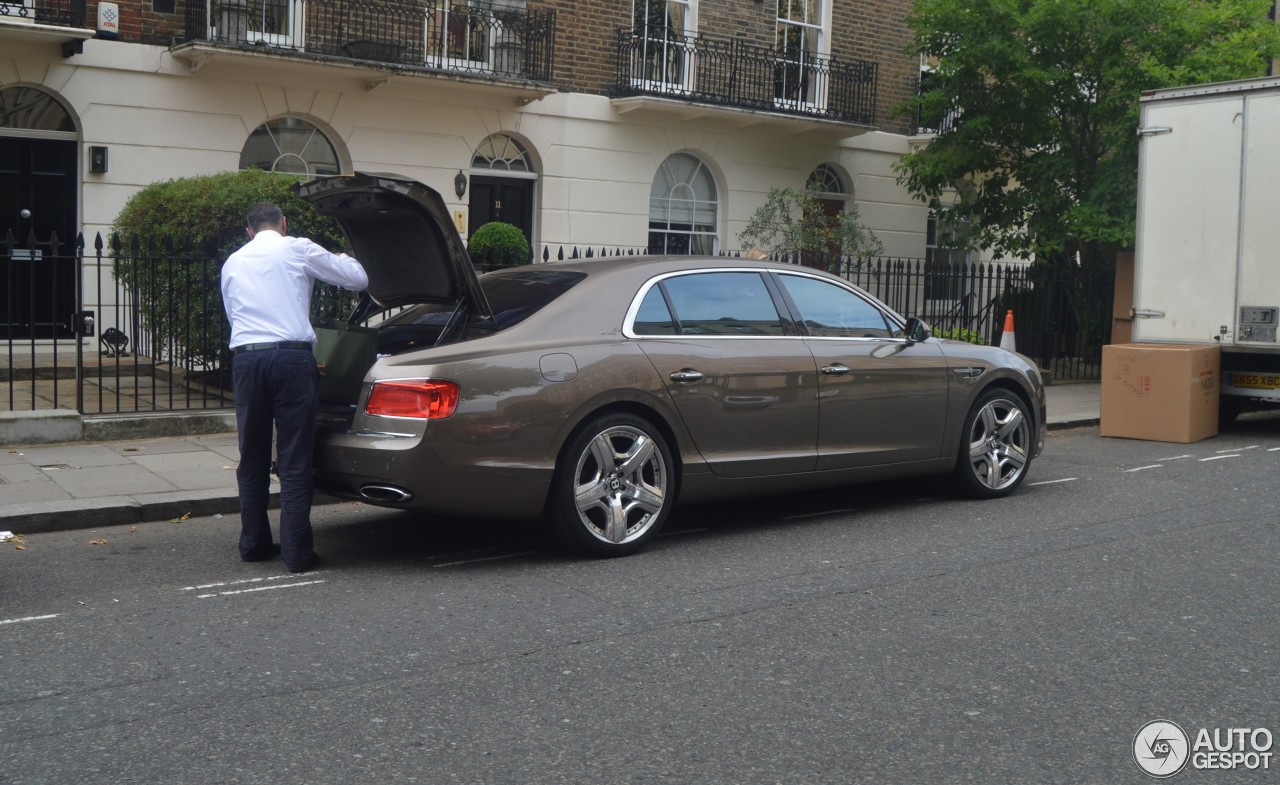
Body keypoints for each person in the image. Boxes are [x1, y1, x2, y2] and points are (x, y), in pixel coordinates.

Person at [220, 201, 368, 573]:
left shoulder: (233, 262)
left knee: (250, 456)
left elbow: (237, 315)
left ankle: (253, 543)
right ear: (283, 223)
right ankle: (297, 553)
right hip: (292, 359)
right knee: (294, 458)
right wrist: (342, 255)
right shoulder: (298, 247)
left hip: (248, 360)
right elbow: (357, 279)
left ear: (248, 231)